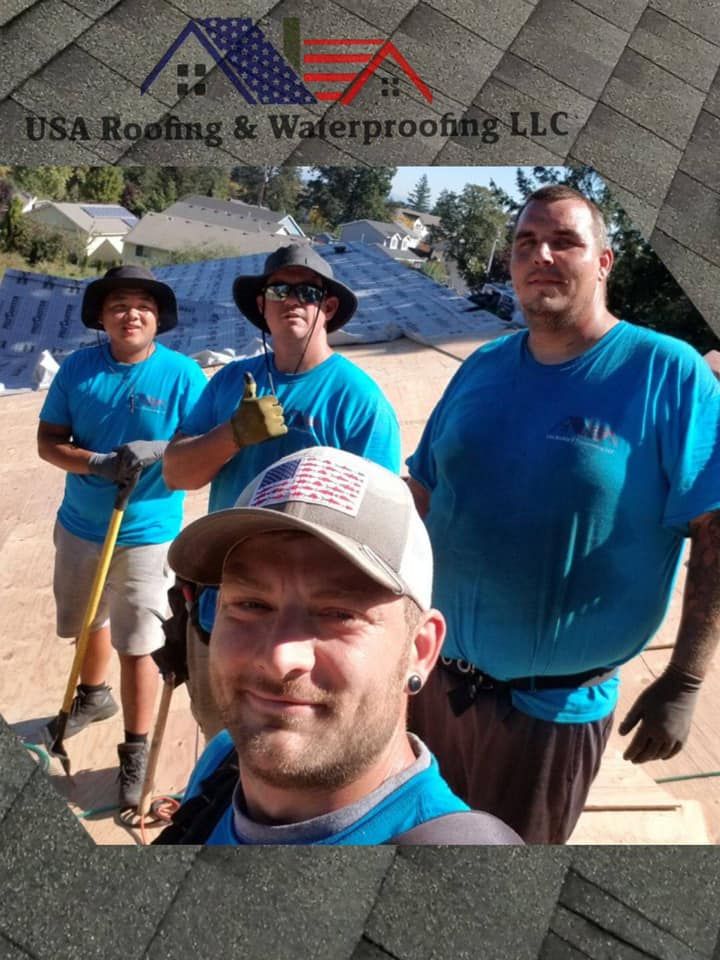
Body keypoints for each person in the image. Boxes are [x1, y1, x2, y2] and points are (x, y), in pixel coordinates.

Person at [406, 185, 720, 844]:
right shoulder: (484, 366)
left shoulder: (667, 372)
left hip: (547, 717)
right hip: (430, 689)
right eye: (525, 242)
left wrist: (686, 677)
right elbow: (425, 492)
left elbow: (713, 526)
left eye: (564, 241)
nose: (540, 255)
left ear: (604, 262)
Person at [155, 447, 520, 845]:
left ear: (420, 649)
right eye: (250, 604)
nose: (280, 657)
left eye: (338, 614)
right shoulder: (223, 761)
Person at [163, 244, 401, 738]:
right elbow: (177, 473)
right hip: (225, 604)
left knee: (289, 746)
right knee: (222, 737)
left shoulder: (358, 401)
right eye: (280, 290)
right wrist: (232, 433)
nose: (293, 300)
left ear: (327, 308)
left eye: (308, 292)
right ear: (262, 305)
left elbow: (379, 532)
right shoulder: (230, 382)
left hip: (308, 624)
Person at [38, 264, 207, 809]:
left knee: (139, 644)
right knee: (88, 620)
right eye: (118, 306)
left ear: (157, 318)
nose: (130, 314)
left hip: (148, 532)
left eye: (142, 306)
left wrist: (159, 451)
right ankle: (92, 697)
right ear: (103, 318)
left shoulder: (183, 376)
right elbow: (48, 441)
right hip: (81, 524)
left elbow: (197, 443)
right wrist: (95, 462)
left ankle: (134, 749)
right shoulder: (78, 371)